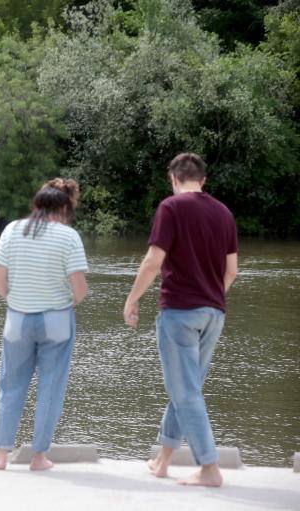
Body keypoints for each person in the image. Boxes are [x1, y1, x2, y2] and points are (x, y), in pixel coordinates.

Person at [124, 153, 238, 487]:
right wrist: (211, 296)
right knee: (188, 388)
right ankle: (164, 460)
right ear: (203, 180)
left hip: (179, 312)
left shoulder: (170, 208)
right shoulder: (224, 213)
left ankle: (209, 468)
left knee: (184, 390)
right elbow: (232, 271)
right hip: (214, 313)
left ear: (174, 179)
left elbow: (152, 261)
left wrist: (132, 299)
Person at [0, 178, 88, 472]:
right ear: (64, 207)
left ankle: (0, 455)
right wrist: (70, 303)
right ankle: (39, 457)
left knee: (11, 386)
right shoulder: (68, 237)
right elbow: (79, 288)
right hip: (57, 320)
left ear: (36, 204)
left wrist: (14, 300)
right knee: (50, 388)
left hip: (17, 319)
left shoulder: (12, 230)